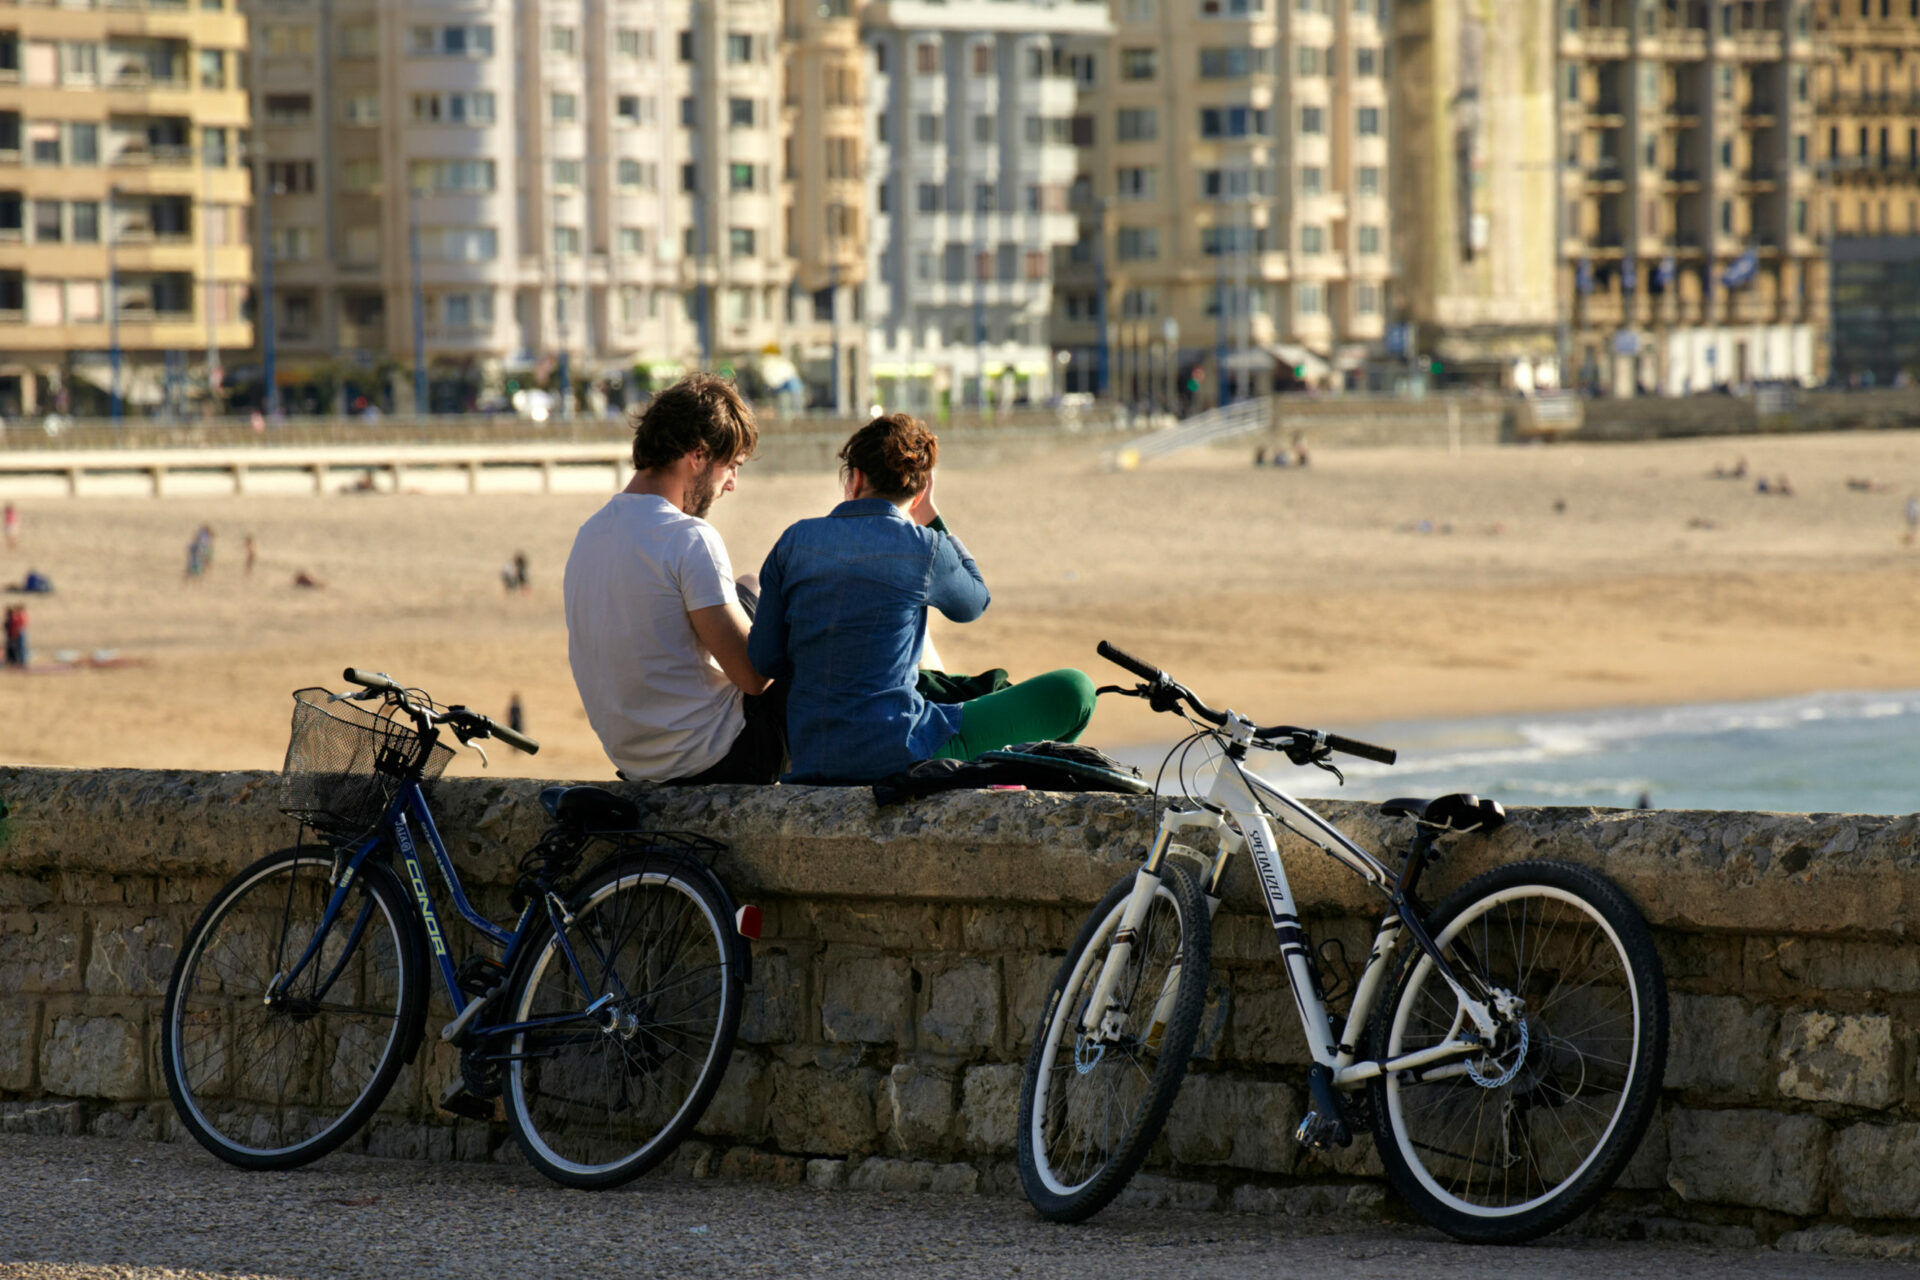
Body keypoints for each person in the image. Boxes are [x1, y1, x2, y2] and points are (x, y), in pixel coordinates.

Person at [748, 413, 1097, 785]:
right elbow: (974, 602)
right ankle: (1018, 785)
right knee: (1075, 689)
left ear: (856, 478)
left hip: (812, 754)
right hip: (899, 752)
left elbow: (765, 658)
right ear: (919, 486)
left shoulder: (795, 540)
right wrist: (931, 516)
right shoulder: (924, 548)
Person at [564, 373, 787, 784]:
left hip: (636, 765)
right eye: (731, 467)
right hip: (716, 760)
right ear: (698, 455)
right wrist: (791, 619)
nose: (731, 485)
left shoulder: (589, 535)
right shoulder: (687, 538)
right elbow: (755, 679)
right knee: (787, 599)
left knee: (750, 585)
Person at [3, 603, 24, 669]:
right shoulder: (12, 619)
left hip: (14, 635)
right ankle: (13, 661)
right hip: (12, 635)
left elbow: (16, 627)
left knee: (15, 649)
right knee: (12, 649)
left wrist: (14, 634)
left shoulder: (15, 618)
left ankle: (17, 662)